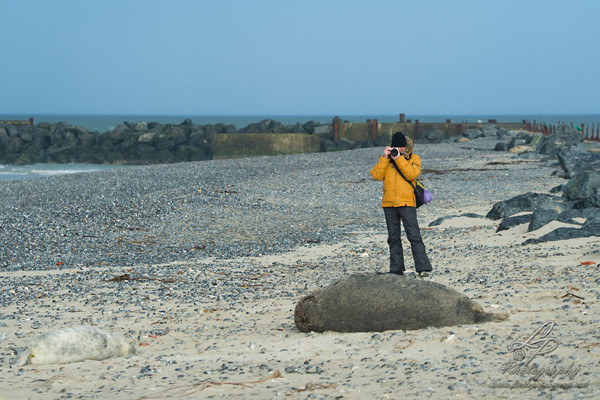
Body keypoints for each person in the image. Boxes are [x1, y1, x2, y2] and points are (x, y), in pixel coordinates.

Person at [370, 131, 433, 277]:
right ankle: (396, 269)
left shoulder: (414, 158)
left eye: (401, 147)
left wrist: (398, 159)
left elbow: (412, 174)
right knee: (393, 238)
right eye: (395, 147)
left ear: (405, 147)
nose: (398, 149)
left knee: (414, 235)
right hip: (389, 203)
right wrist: (385, 158)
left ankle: (423, 268)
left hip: (407, 202)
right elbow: (376, 175)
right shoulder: (387, 161)